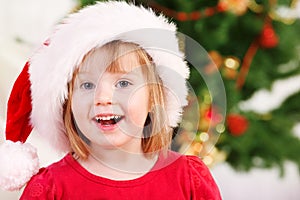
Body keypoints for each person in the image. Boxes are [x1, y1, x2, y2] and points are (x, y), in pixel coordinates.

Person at [0, 1, 221, 199]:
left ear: (155, 96)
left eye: (123, 83)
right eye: (87, 85)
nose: (103, 98)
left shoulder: (189, 178)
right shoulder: (51, 188)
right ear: (67, 103)